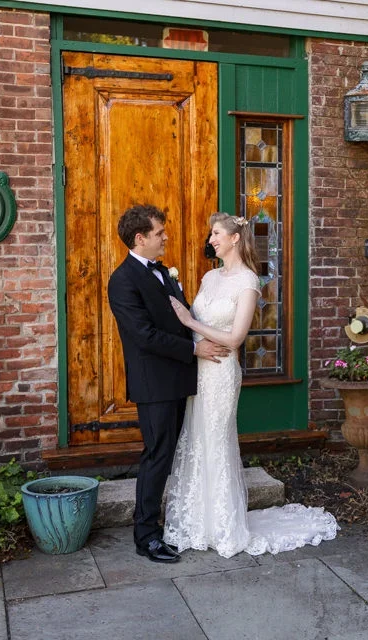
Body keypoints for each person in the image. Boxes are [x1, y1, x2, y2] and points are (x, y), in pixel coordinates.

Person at [164, 212, 339, 558]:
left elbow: (236, 338)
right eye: (211, 234)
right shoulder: (209, 276)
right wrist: (190, 336)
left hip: (221, 372)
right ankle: (197, 522)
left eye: (216, 233)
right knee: (197, 439)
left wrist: (188, 321)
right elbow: (197, 322)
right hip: (199, 367)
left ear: (234, 238)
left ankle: (223, 526)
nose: (211, 239)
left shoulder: (248, 281)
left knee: (216, 442)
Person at [107, 204, 230, 564]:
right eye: (159, 233)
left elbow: (183, 317)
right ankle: (145, 535)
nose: (165, 237)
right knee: (157, 455)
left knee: (173, 453)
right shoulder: (123, 280)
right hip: (154, 383)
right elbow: (143, 335)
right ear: (140, 238)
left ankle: (176, 522)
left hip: (180, 377)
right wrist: (194, 349)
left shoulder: (163, 271)